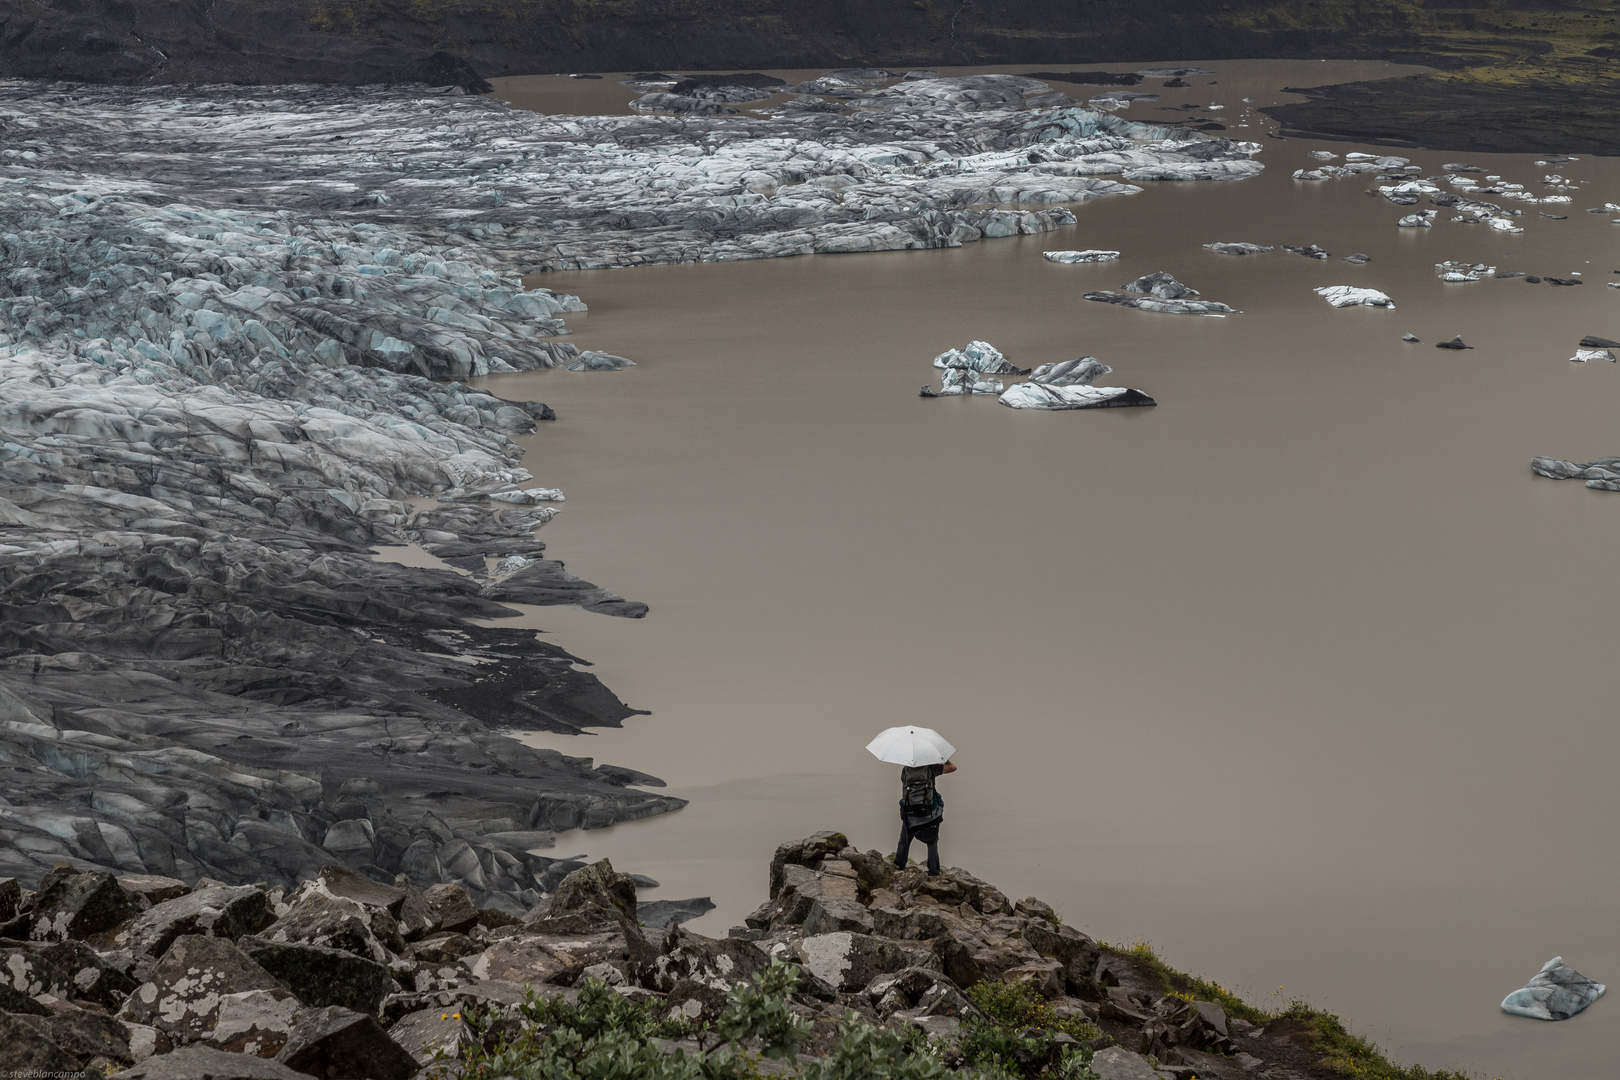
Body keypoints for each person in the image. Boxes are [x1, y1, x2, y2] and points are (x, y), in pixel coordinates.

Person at [894, 759, 955, 875]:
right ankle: (933, 871)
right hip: (929, 813)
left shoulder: (905, 770)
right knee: (932, 842)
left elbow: (904, 783)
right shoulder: (931, 768)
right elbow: (952, 767)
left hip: (911, 813)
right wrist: (943, 758)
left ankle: (899, 864)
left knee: (904, 840)